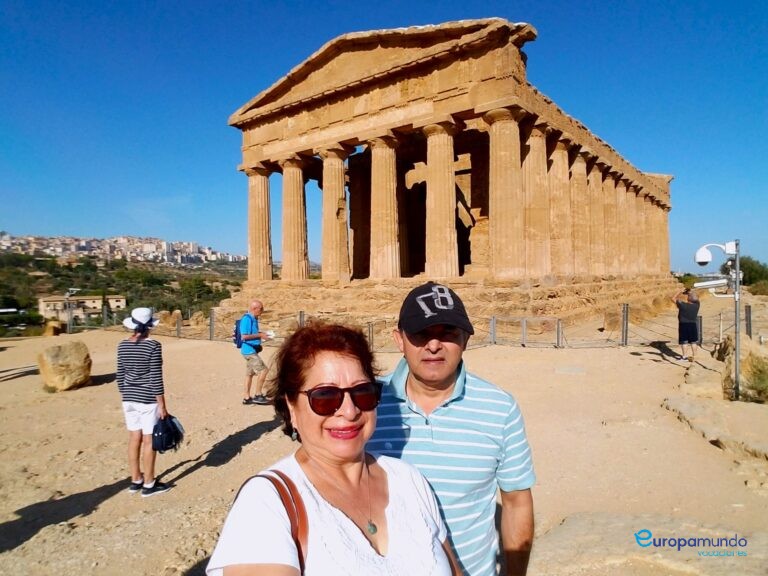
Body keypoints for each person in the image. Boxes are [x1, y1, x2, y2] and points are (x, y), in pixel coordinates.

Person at [207, 323, 460, 575]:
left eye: (362, 393)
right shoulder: (265, 504)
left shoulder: (409, 479)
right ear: (292, 407)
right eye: (325, 397)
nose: (349, 411)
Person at [368, 282, 536, 576]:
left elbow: (516, 502)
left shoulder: (499, 408)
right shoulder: (364, 407)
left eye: (448, 333)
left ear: (466, 340)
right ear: (399, 339)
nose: (434, 345)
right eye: (421, 334)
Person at [116, 307, 171, 497]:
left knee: (134, 439)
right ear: (150, 326)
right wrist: (162, 405)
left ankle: (135, 479)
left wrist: (127, 393)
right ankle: (149, 483)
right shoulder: (153, 346)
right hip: (147, 399)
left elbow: (120, 375)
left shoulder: (122, 345)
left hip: (128, 398)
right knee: (149, 440)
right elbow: (156, 377)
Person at [239, 300, 271, 405]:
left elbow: (253, 333)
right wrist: (260, 335)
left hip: (250, 350)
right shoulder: (247, 319)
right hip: (249, 351)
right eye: (261, 309)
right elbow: (244, 336)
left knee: (250, 374)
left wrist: (262, 334)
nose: (262, 311)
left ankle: (246, 397)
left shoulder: (253, 319)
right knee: (264, 370)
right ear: (254, 308)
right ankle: (258, 395)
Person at [673, 288, 700, 361]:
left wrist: (679, 291)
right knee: (693, 341)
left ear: (688, 299)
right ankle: (695, 356)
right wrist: (690, 293)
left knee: (684, 341)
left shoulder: (682, 305)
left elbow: (673, 298)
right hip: (692, 324)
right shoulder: (697, 305)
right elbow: (696, 298)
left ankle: (684, 356)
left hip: (683, 325)